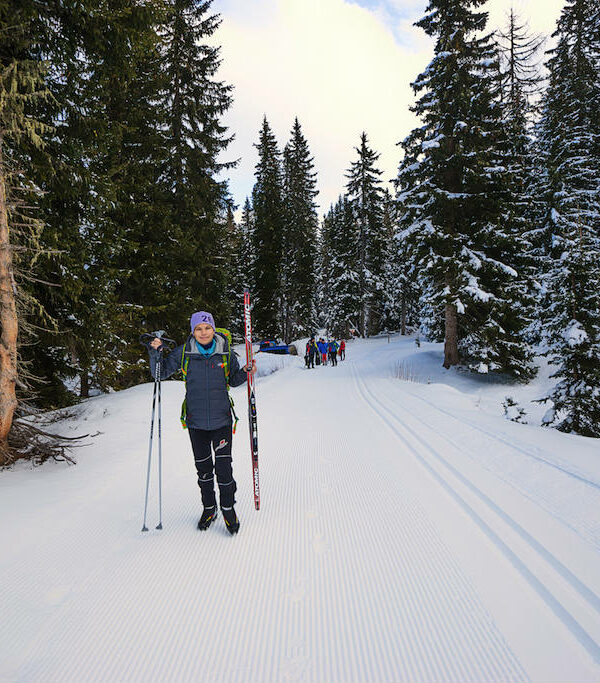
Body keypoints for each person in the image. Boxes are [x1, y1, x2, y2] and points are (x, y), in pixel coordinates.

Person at [147, 311, 256, 535]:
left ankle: (228, 508)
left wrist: (246, 372)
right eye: (198, 329)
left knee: (224, 470)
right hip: (196, 422)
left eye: (207, 328)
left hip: (221, 420)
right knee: (204, 470)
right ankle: (209, 508)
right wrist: (155, 352)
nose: (203, 332)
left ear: (213, 329)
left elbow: (234, 379)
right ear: (193, 332)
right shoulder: (184, 352)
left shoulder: (225, 352)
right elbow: (160, 373)